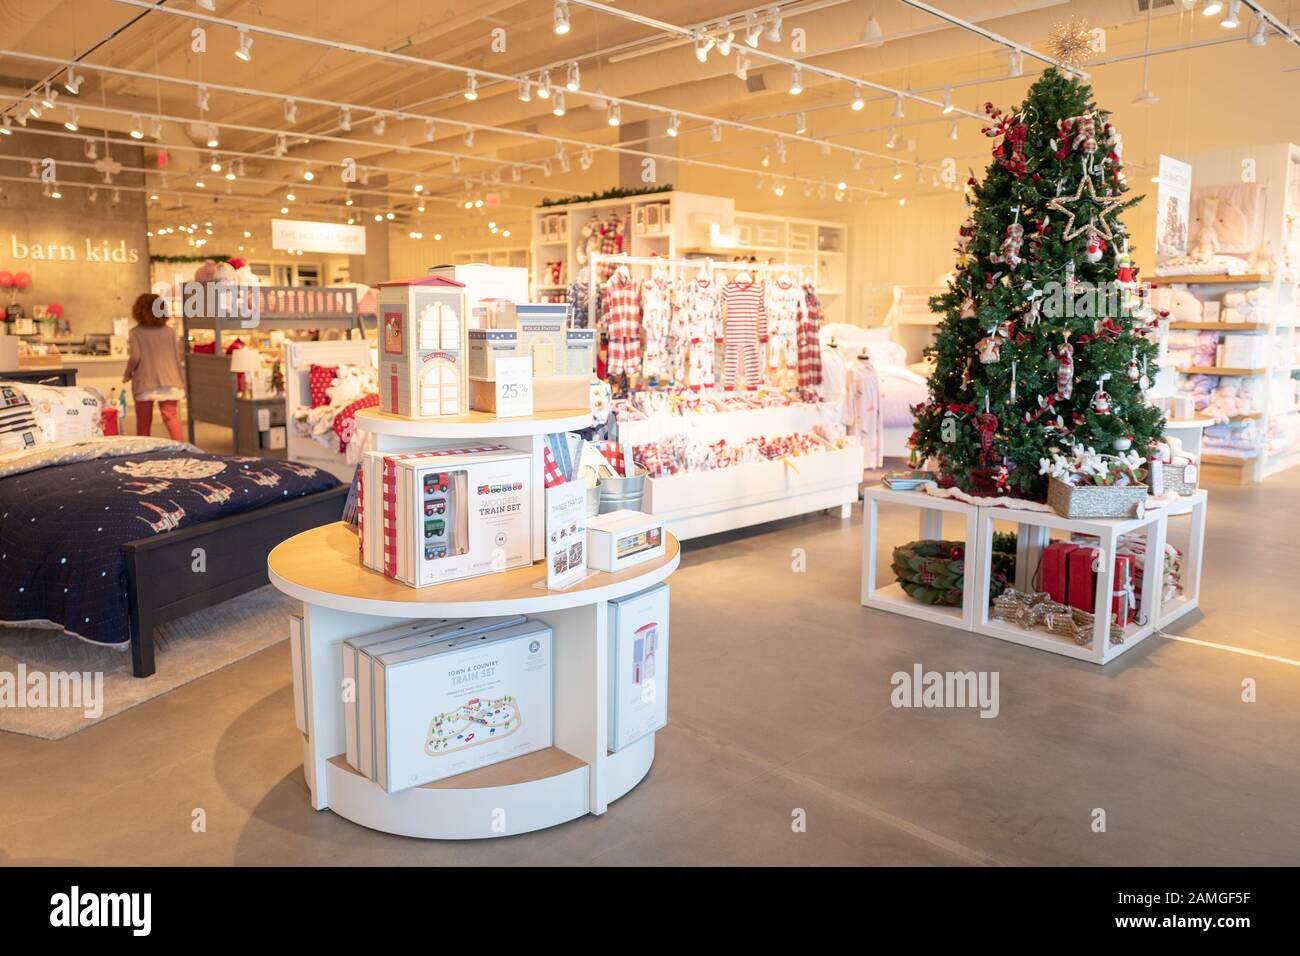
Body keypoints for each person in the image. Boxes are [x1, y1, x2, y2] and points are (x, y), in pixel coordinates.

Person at [124, 293, 186, 440]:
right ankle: (182, 449)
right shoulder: (169, 331)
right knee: (171, 417)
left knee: (144, 423)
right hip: (170, 380)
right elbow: (177, 359)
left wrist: (127, 373)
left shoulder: (135, 332)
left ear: (138, 310)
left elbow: (135, 356)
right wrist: (182, 381)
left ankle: (143, 454)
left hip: (145, 382)